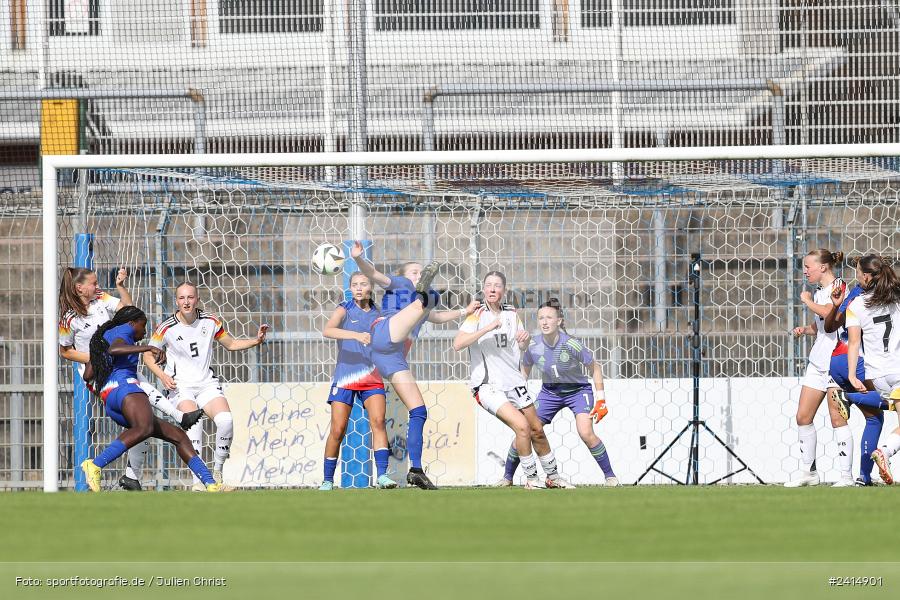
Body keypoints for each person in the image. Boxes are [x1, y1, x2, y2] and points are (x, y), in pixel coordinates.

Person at [58, 267, 203, 491]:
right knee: (141, 406)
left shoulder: (100, 299)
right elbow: (65, 351)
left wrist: (121, 287)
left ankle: (131, 475)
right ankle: (179, 417)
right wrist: (97, 357)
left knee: (142, 422)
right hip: (99, 373)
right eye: (94, 283)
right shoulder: (69, 318)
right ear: (79, 288)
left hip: (118, 362)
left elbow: (127, 310)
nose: (98, 287)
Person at [352, 242, 479, 489]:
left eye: (421, 273)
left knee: (419, 410)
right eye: (415, 272)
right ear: (402, 276)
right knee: (425, 298)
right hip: (383, 333)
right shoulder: (399, 284)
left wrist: (465, 310)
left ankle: (416, 470)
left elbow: (438, 317)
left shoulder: (424, 302)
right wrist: (358, 259)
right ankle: (422, 297)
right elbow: (372, 274)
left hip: (393, 357)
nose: (417, 275)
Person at [80, 306, 220, 493]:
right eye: (143, 325)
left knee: (178, 436)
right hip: (125, 388)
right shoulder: (124, 329)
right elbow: (115, 348)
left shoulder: (106, 336)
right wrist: (148, 347)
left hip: (110, 398)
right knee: (144, 428)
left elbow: (88, 374)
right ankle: (95, 464)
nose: (144, 331)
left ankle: (211, 483)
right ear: (132, 322)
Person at [144, 282, 268, 491]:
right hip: (180, 387)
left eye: (190, 297)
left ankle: (217, 473)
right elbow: (148, 354)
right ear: (176, 301)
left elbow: (230, 344)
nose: (186, 302)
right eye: (182, 298)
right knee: (195, 426)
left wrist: (256, 341)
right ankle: (198, 483)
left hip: (206, 384)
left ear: (197, 300)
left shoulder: (211, 321)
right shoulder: (166, 327)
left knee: (226, 421)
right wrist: (162, 375)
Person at [453, 272, 573, 489]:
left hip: (515, 383)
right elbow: (458, 344)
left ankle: (553, 477)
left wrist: (524, 340)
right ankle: (531, 479)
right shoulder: (476, 315)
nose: (492, 289)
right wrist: (487, 328)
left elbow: (520, 346)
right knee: (522, 427)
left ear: (504, 291)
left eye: (497, 286)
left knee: (537, 428)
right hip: (488, 386)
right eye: (488, 285)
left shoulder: (511, 314)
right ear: (483, 289)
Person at [500, 298, 618, 487]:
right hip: (550, 393)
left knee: (586, 432)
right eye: (541, 318)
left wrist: (601, 400)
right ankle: (506, 478)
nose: (544, 322)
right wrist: (516, 397)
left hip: (578, 391)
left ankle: (610, 477)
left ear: (559, 321)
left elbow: (595, 368)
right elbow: (523, 373)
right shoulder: (533, 345)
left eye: (549, 317)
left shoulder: (572, 344)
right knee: (525, 429)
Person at [319, 272, 395, 490]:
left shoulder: (380, 314)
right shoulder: (344, 308)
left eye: (363, 284)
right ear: (350, 288)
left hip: (372, 376)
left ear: (371, 287)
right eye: (355, 285)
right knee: (338, 429)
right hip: (345, 376)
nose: (359, 288)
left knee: (379, 422)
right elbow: (327, 330)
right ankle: (327, 480)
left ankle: (382, 476)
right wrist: (356, 335)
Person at [785, 249, 852, 487]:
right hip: (817, 362)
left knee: (837, 419)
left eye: (808, 266)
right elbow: (821, 324)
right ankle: (809, 472)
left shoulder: (839, 286)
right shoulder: (820, 291)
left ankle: (846, 476)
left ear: (823, 267)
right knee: (803, 416)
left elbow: (830, 315)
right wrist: (805, 330)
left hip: (836, 363)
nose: (805, 271)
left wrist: (806, 301)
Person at [825, 275, 893, 486]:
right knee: (891, 402)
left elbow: (831, 326)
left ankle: (863, 477)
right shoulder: (885, 296)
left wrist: (836, 306)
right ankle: (849, 397)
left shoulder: (854, 293)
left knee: (874, 419)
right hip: (859, 359)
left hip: (837, 358)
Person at [841, 255, 900, 485]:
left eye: (857, 273)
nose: (857, 277)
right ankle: (884, 451)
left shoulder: (856, 305)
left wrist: (852, 375)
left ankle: (851, 396)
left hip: (876, 376)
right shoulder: (895, 297)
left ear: (866, 276)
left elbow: (854, 343)